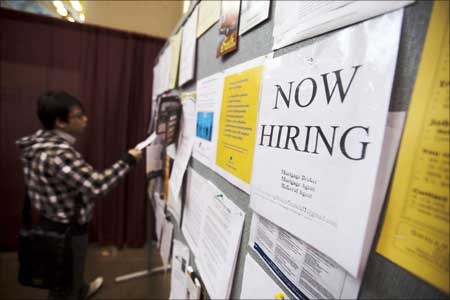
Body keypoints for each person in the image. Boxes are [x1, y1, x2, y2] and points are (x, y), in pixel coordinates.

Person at [16, 91, 143, 299]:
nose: (85, 119)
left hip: (49, 220)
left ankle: (80, 289)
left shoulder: (38, 141)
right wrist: (128, 161)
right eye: (78, 116)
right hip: (67, 229)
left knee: (62, 274)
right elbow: (97, 186)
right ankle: (75, 292)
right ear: (60, 122)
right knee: (63, 284)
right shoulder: (59, 154)